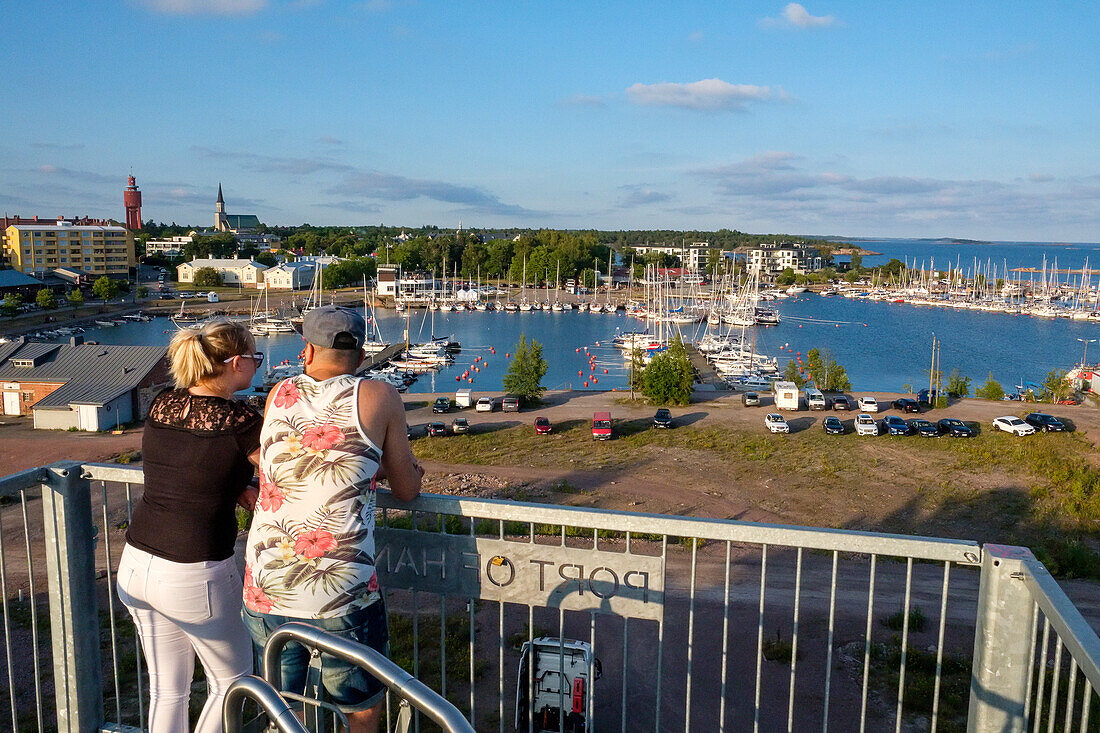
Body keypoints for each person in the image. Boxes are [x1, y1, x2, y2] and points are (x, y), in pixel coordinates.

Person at [242, 305, 422, 733]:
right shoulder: (379, 395)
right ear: (361, 357)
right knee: (359, 706)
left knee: (287, 708)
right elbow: (407, 488)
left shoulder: (279, 393)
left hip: (269, 581)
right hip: (340, 587)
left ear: (307, 350)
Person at [116, 318, 264, 733]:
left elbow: (191, 464)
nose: (257, 365)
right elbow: (288, 472)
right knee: (234, 682)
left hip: (136, 561)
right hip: (192, 571)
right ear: (236, 363)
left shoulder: (164, 401)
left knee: (167, 690)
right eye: (255, 357)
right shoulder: (240, 422)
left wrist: (234, 484)